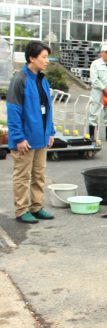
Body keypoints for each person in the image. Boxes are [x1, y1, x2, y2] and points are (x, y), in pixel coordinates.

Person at [6, 40, 56, 224]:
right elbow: (13, 111)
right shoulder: (20, 79)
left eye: (47, 57)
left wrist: (50, 132)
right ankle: (22, 210)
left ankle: (36, 207)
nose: (47, 61)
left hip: (41, 138)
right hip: (25, 140)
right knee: (22, 176)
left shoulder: (42, 80)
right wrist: (19, 137)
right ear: (32, 58)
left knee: (39, 175)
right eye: (44, 57)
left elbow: (48, 108)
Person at [88, 42, 107, 142]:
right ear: (101, 53)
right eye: (106, 52)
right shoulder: (95, 64)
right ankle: (91, 135)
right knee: (94, 112)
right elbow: (94, 79)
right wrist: (104, 88)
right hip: (98, 91)